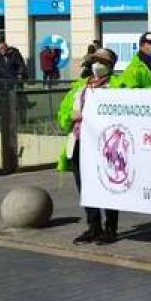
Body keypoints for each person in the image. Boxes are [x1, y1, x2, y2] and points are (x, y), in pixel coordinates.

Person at [57, 48, 124, 245]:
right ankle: (93, 226)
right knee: (84, 186)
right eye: (95, 60)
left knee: (109, 184)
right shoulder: (80, 87)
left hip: (105, 145)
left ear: (110, 66)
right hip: (79, 142)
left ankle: (110, 228)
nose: (97, 64)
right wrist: (70, 116)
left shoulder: (118, 86)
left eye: (103, 61)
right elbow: (63, 113)